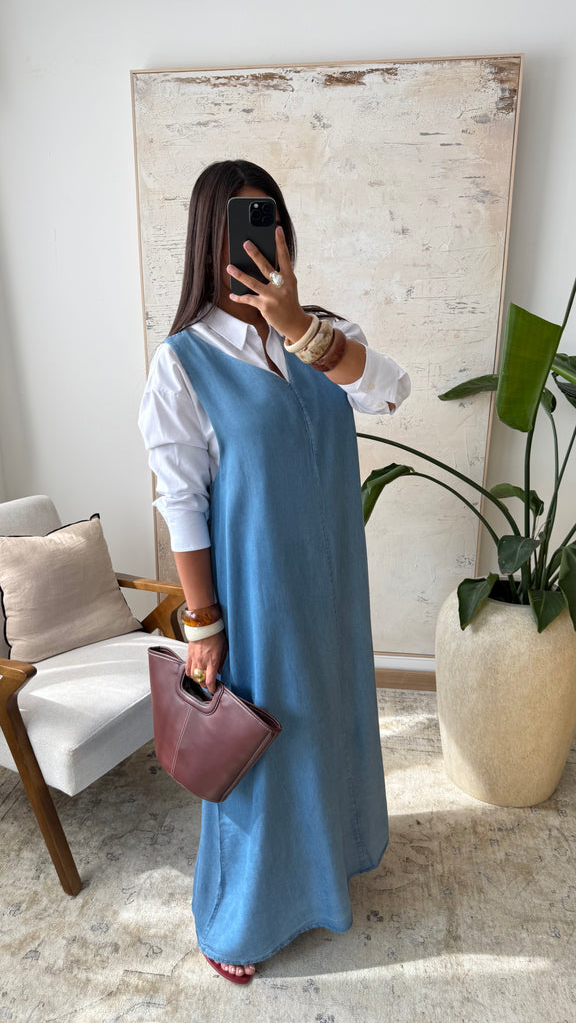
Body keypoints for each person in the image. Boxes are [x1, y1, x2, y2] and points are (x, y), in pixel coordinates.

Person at [138, 159, 411, 983]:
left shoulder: (322, 332)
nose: (264, 241)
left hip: (334, 586)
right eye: (243, 225)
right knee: (262, 750)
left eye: (273, 221)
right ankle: (239, 920)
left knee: (329, 721)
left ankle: (328, 868)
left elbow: (390, 392)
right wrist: (202, 624)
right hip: (257, 597)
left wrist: (300, 329)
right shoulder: (183, 363)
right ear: (210, 242)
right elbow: (181, 500)